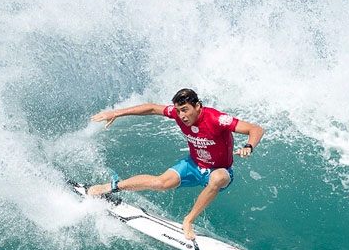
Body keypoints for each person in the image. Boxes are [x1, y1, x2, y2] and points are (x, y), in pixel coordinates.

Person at [88, 88, 264, 241]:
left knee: (217, 178)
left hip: (219, 169)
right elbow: (151, 108)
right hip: (193, 165)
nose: (182, 116)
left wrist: (248, 146)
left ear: (197, 106)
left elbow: (256, 129)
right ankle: (109, 187)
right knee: (160, 183)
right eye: (179, 111)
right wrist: (116, 113)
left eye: (186, 110)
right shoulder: (178, 115)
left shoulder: (216, 119)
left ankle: (188, 221)